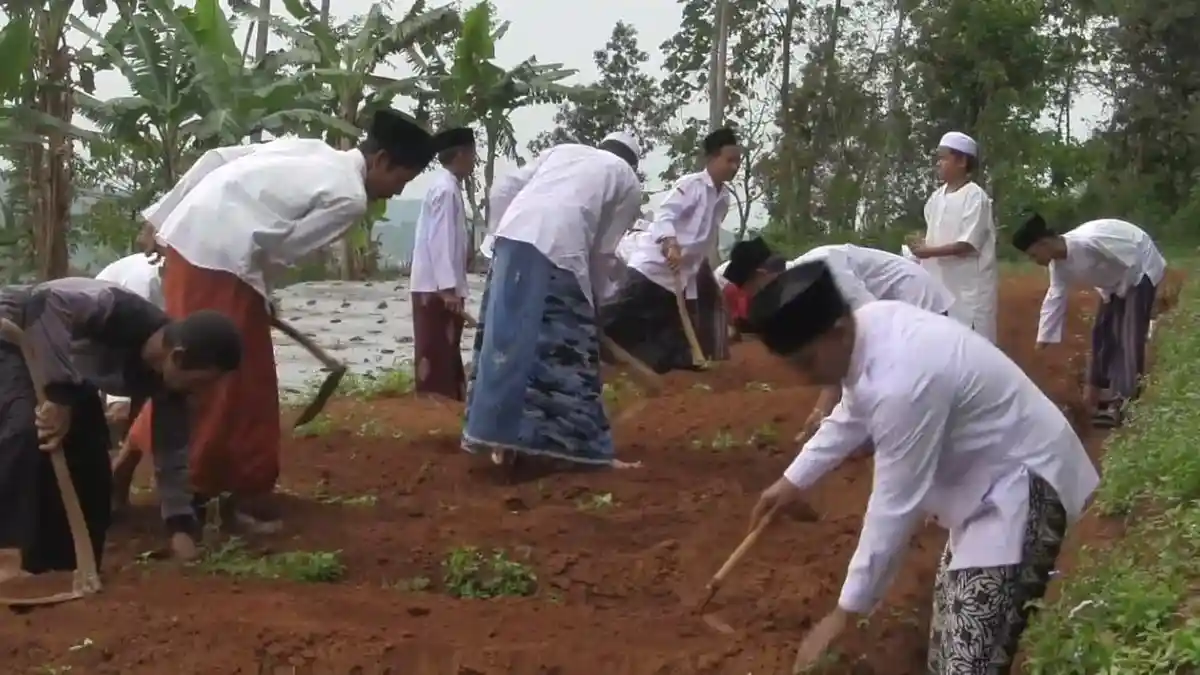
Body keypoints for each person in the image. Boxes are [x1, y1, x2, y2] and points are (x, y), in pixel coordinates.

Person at [745, 260, 1099, 674]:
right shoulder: (869, 328)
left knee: (968, 664)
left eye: (806, 363)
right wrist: (792, 481)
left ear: (838, 330)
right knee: (948, 650)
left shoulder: (904, 379)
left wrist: (845, 613)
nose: (806, 378)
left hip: (1022, 487)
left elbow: (894, 506)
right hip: (979, 490)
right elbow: (853, 411)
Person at [130, 109, 436, 531]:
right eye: (401, 181)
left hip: (188, 244)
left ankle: (146, 470)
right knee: (231, 383)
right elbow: (282, 251)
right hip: (223, 265)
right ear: (382, 160)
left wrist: (161, 218)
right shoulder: (350, 197)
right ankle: (204, 499)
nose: (394, 193)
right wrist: (260, 292)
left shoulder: (312, 149)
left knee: (194, 370)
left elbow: (218, 159)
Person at [0, 279, 242, 572]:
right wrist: (59, 396)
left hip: (63, 373)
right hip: (12, 333)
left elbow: (172, 452)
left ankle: (63, 566)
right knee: (27, 432)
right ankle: (7, 555)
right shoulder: (119, 311)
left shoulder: (170, 385)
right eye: (202, 382)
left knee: (91, 455)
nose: (202, 393)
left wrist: (180, 525)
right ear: (177, 357)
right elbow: (46, 301)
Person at [463, 131, 644, 472]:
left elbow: (502, 189)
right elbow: (604, 252)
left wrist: (495, 238)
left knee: (505, 346)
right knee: (570, 355)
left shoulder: (564, 151)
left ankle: (497, 440)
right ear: (633, 164)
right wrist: (595, 305)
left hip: (510, 242)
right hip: (559, 254)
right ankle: (587, 450)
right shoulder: (628, 181)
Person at [604, 127, 741, 373]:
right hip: (653, 267)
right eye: (729, 160)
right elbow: (665, 216)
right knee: (616, 313)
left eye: (737, 162)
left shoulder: (724, 199)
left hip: (681, 276)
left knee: (667, 330)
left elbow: (704, 238)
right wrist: (670, 243)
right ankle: (586, 352)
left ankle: (668, 365)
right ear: (711, 158)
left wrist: (695, 267)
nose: (734, 167)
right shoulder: (690, 185)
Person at [1012, 213, 1166, 426]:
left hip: (1140, 267)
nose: (1034, 261)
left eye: (1033, 255)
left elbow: (1130, 260)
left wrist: (1124, 296)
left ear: (1044, 243)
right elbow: (1055, 297)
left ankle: (1125, 401)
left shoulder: (1088, 242)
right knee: (1101, 332)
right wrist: (1042, 340)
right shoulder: (1058, 265)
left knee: (1128, 335)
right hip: (1114, 283)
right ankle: (1095, 395)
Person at [909, 131, 998, 343]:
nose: (938, 164)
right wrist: (921, 245)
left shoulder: (976, 197)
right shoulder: (935, 198)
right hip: (940, 286)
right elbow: (935, 235)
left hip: (969, 292)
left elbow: (967, 245)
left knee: (973, 345)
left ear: (962, 161)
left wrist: (927, 251)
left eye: (943, 158)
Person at [410, 126, 477, 401]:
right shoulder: (445, 190)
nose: (474, 161)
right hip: (436, 288)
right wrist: (447, 288)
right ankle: (436, 407)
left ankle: (449, 401)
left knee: (446, 348)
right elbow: (441, 240)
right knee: (436, 348)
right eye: (473, 155)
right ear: (461, 154)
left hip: (436, 286)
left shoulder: (447, 187)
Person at [717, 237, 788, 340]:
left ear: (761, 274)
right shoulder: (774, 282)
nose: (750, 293)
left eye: (749, 287)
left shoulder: (799, 284)